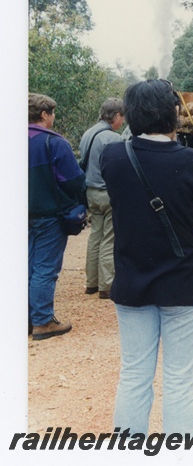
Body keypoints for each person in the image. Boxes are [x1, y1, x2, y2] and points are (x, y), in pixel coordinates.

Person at [101, 79, 193, 434]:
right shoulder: (187, 159)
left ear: (133, 115)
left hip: (131, 283)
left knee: (134, 374)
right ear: (172, 113)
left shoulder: (113, 156)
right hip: (183, 285)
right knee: (180, 380)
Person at [28, 93, 86, 340]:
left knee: (24, 266)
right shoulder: (53, 143)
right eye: (52, 114)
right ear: (44, 114)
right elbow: (75, 182)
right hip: (49, 215)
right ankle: (42, 321)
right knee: (45, 268)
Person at [79, 98, 125, 299]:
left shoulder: (88, 133)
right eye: (122, 117)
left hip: (91, 192)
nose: (122, 122)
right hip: (107, 193)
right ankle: (106, 285)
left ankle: (91, 283)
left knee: (95, 236)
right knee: (109, 238)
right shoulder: (112, 138)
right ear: (115, 116)